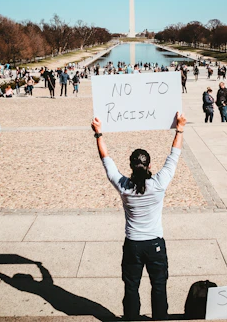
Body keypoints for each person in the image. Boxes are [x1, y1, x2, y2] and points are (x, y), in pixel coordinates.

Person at [91, 112, 187, 321]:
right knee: (159, 287)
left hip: (133, 244)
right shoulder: (159, 183)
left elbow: (106, 160)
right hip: (155, 244)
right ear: (150, 165)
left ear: (131, 166)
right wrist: (179, 128)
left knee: (131, 287)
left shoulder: (124, 186)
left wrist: (99, 133)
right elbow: (174, 155)